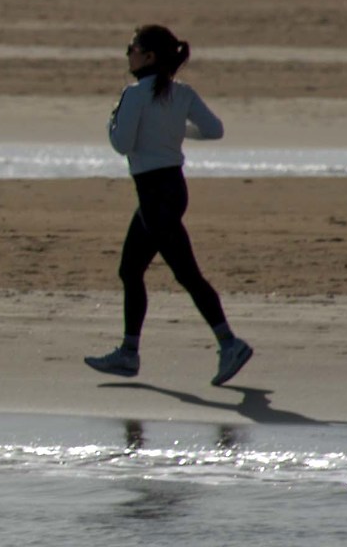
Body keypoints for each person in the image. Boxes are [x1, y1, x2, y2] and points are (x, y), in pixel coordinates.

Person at [85, 23, 252, 387]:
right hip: (171, 190)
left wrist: (113, 119)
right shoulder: (182, 93)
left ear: (149, 56)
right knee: (130, 270)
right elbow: (213, 129)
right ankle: (129, 353)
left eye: (132, 47)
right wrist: (175, 130)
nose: (127, 54)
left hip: (155, 193)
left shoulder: (134, 95)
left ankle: (230, 343)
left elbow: (122, 144)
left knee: (186, 273)